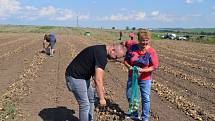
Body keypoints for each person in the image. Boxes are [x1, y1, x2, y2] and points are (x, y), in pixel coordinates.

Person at [65, 44, 126, 121]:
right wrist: (102, 98)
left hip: (83, 77)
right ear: (113, 50)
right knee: (85, 105)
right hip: (75, 77)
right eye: (116, 57)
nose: (114, 59)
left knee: (91, 98)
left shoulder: (102, 50)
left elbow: (94, 70)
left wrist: (100, 86)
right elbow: (98, 79)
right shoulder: (101, 55)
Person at [124, 29, 158, 121]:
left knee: (145, 98)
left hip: (145, 78)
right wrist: (129, 67)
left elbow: (154, 66)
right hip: (133, 76)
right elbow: (126, 60)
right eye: (143, 40)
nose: (145, 43)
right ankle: (134, 114)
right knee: (130, 95)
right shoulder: (132, 48)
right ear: (139, 39)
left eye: (147, 41)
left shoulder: (151, 51)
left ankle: (145, 118)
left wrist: (143, 70)